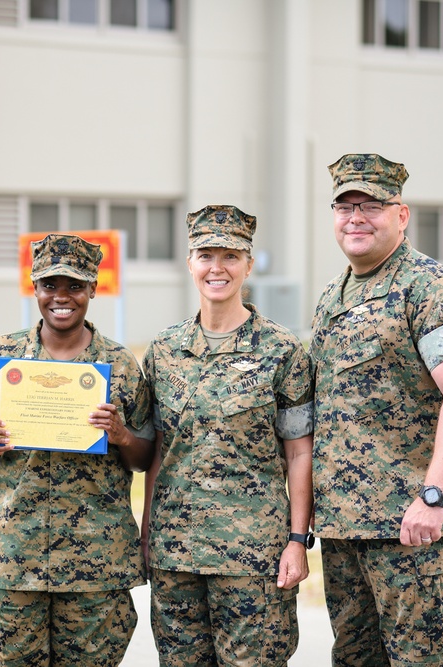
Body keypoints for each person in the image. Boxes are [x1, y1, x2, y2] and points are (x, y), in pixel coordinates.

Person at [310, 154, 443, 667]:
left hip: (414, 530)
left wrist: (434, 496)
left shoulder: (431, 288)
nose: (355, 217)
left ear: (401, 214)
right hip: (348, 529)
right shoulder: (333, 297)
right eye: (345, 207)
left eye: (370, 205)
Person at [0, 233, 155, 666]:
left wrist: (121, 436)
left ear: (92, 290)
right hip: (14, 558)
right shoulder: (1, 357)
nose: (61, 297)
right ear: (34, 287)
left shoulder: (121, 366)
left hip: (95, 564)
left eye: (74, 286)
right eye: (50, 285)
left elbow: (144, 457)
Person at [142, 205, 314, 666]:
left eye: (231, 255)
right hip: (176, 552)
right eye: (205, 255)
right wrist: (147, 536)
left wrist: (298, 540)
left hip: (253, 555)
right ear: (189, 262)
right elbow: (159, 451)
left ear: (249, 264)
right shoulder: (163, 351)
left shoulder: (281, 350)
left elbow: (300, 453)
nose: (217, 268)